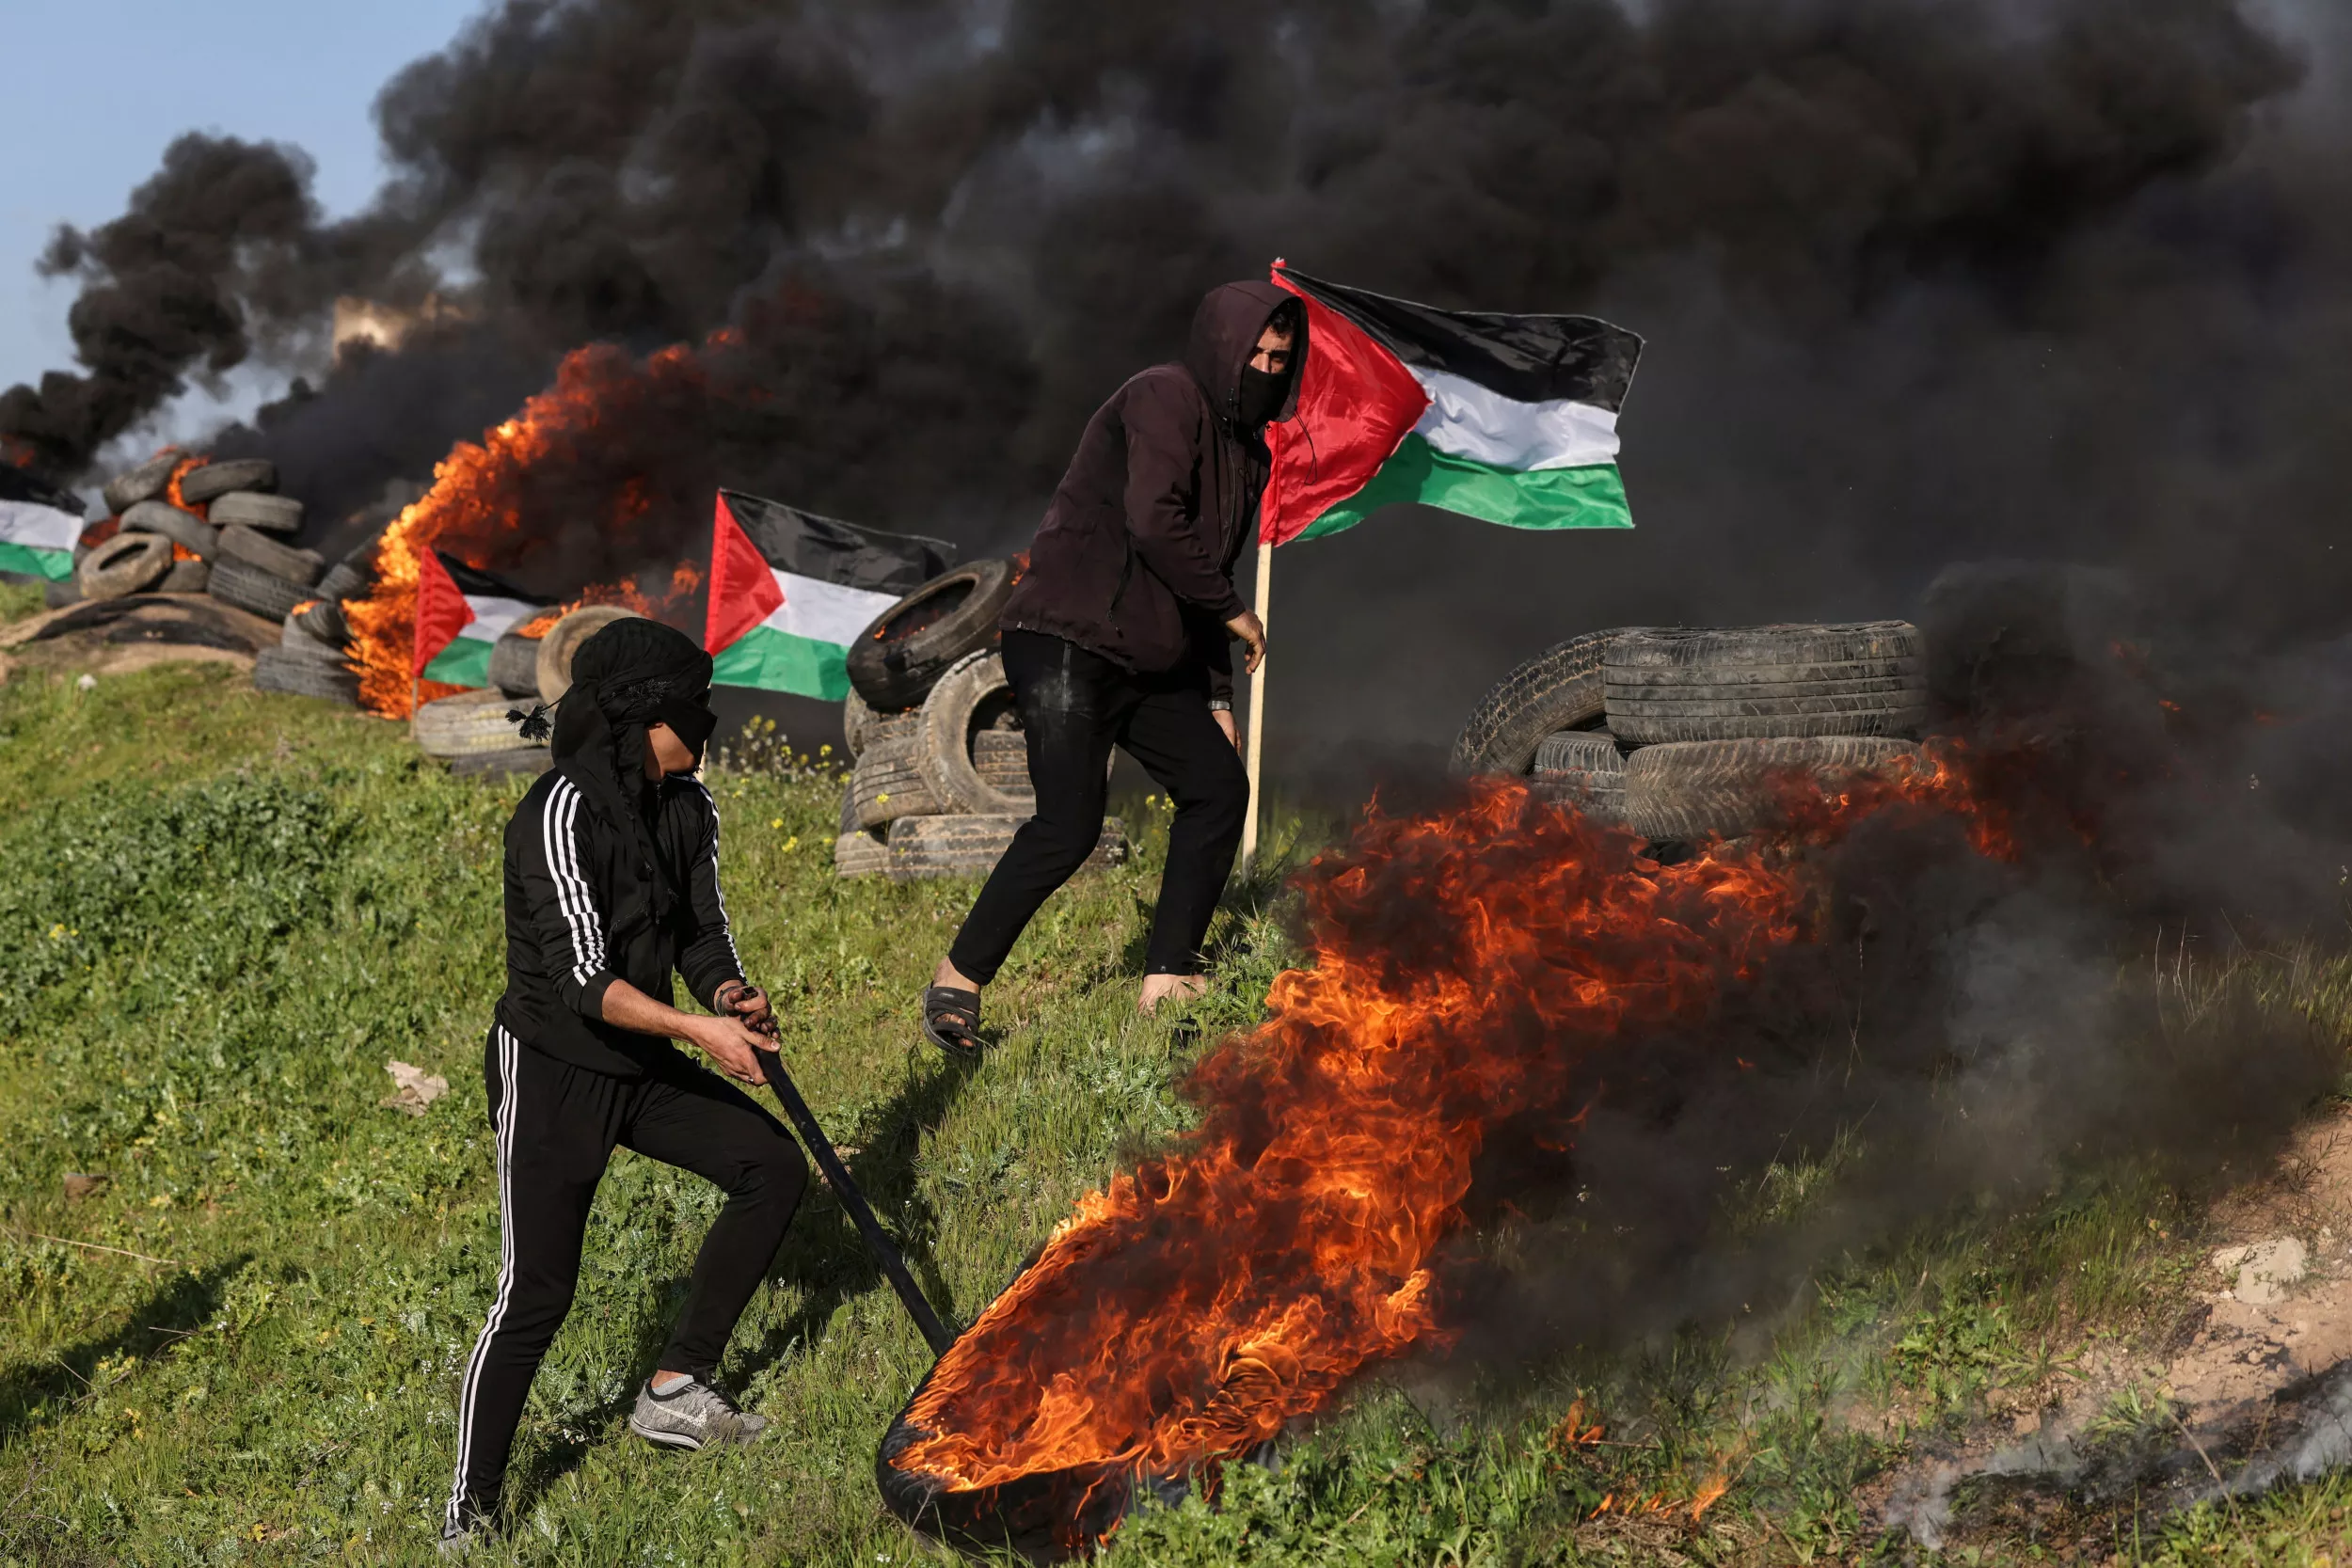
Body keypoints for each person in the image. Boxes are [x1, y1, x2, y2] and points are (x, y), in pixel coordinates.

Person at [441, 619, 807, 1551]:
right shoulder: (559, 811)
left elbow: (699, 933)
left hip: (638, 1061)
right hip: (554, 1068)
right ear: (646, 715)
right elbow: (581, 980)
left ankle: (676, 1386)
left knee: (770, 1164)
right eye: (697, 708)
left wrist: (726, 993)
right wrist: (700, 1032)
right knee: (537, 1290)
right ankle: (468, 1515)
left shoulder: (686, 804)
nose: (711, 724)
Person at [921, 280, 1303, 1052]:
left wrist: (1218, 697)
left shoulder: (1250, 455)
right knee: (1070, 823)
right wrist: (1236, 611)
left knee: (1219, 787)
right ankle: (957, 977)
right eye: (1255, 353)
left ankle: (1169, 977)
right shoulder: (1163, 395)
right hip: (1069, 636)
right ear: (1221, 345)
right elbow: (1154, 520)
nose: (1265, 370)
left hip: (1149, 659)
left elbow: (1208, 571)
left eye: (1279, 359)